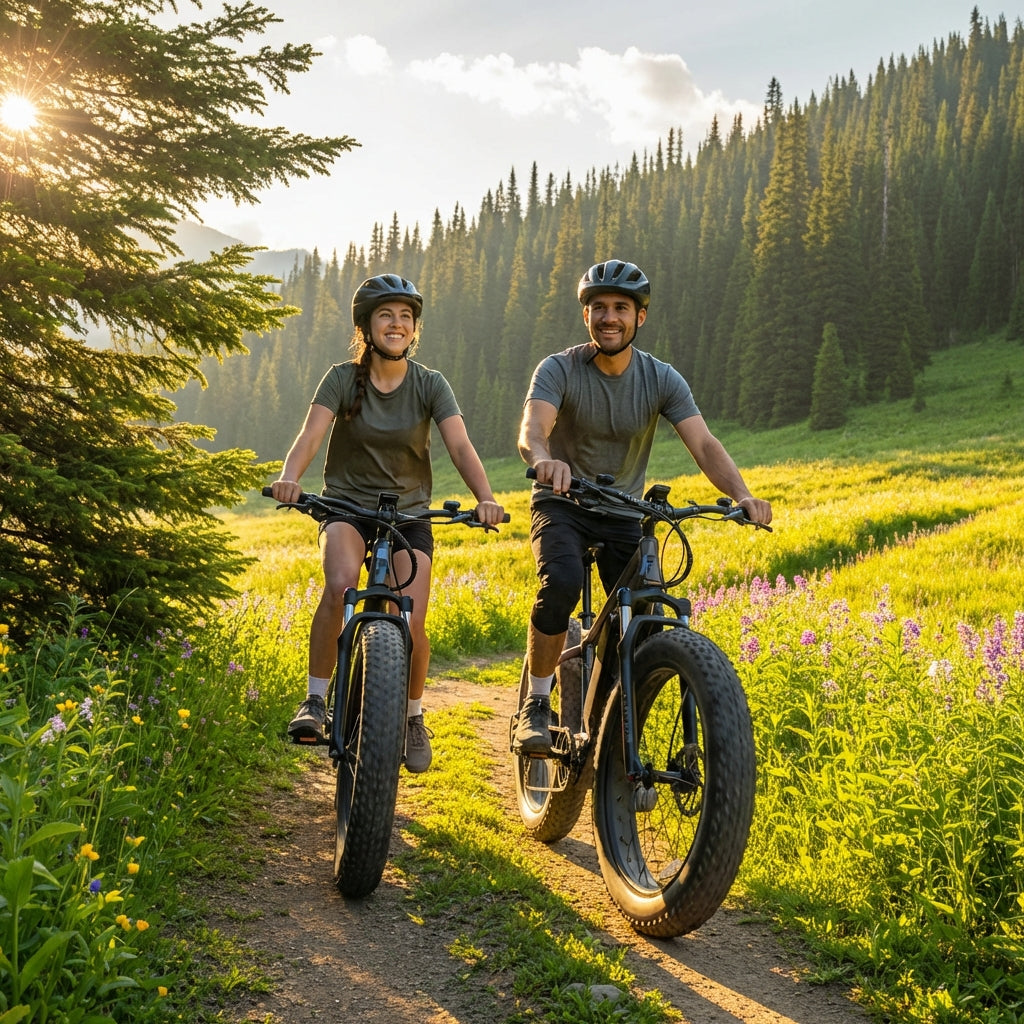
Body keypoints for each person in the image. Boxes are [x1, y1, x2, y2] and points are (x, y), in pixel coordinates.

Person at [513, 258, 773, 756]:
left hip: (622, 511)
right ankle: (538, 706)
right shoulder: (558, 368)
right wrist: (545, 461)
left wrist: (742, 494)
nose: (609, 317)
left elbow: (704, 444)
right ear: (586, 315)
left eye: (621, 309)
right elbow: (532, 430)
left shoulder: (661, 378)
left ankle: (616, 727)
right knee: (562, 582)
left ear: (640, 317)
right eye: (599, 308)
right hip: (563, 502)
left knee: (644, 620)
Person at [271, 273, 504, 772]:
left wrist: (485, 499)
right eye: (386, 315)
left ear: (414, 328)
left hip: (409, 514)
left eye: (405, 317)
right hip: (348, 507)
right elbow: (311, 433)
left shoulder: (430, 384)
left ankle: (413, 717)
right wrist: (290, 478)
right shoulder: (341, 378)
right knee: (338, 585)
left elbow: (460, 446)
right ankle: (315, 699)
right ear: (367, 326)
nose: (396, 325)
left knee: (412, 618)